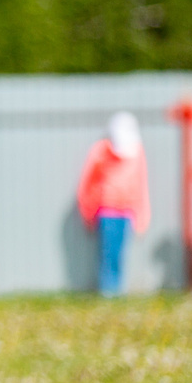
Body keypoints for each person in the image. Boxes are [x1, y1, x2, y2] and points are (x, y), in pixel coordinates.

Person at [76, 112, 149, 297]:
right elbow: (87, 184)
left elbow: (141, 184)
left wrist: (142, 218)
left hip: (127, 211)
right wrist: (88, 213)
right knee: (107, 255)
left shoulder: (137, 150)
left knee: (119, 255)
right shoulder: (100, 150)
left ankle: (116, 292)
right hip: (106, 211)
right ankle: (107, 293)